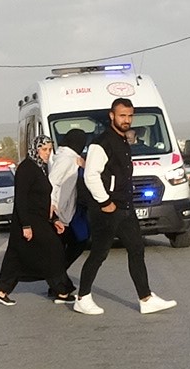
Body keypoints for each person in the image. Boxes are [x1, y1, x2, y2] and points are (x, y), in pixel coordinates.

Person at [72, 98, 176, 317]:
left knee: (137, 248)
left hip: (124, 206)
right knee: (99, 253)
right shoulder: (102, 143)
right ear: (112, 116)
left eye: (129, 116)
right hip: (106, 209)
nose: (126, 120)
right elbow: (91, 176)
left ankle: (145, 298)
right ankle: (82, 298)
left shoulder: (123, 141)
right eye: (122, 115)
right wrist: (105, 202)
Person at [0, 136, 76, 305]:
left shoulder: (40, 168)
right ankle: (61, 290)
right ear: (36, 149)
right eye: (44, 150)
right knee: (54, 249)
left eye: (50, 150)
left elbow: (43, 198)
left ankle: (1, 290)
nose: (47, 153)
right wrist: (26, 226)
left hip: (41, 219)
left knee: (17, 257)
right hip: (28, 220)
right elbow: (21, 199)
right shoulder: (26, 169)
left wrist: (55, 219)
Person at [50, 129, 90, 269]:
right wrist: (53, 205)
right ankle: (57, 280)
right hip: (62, 210)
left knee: (76, 241)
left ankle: (59, 280)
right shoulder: (66, 159)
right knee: (77, 241)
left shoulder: (72, 158)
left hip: (70, 210)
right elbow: (53, 182)